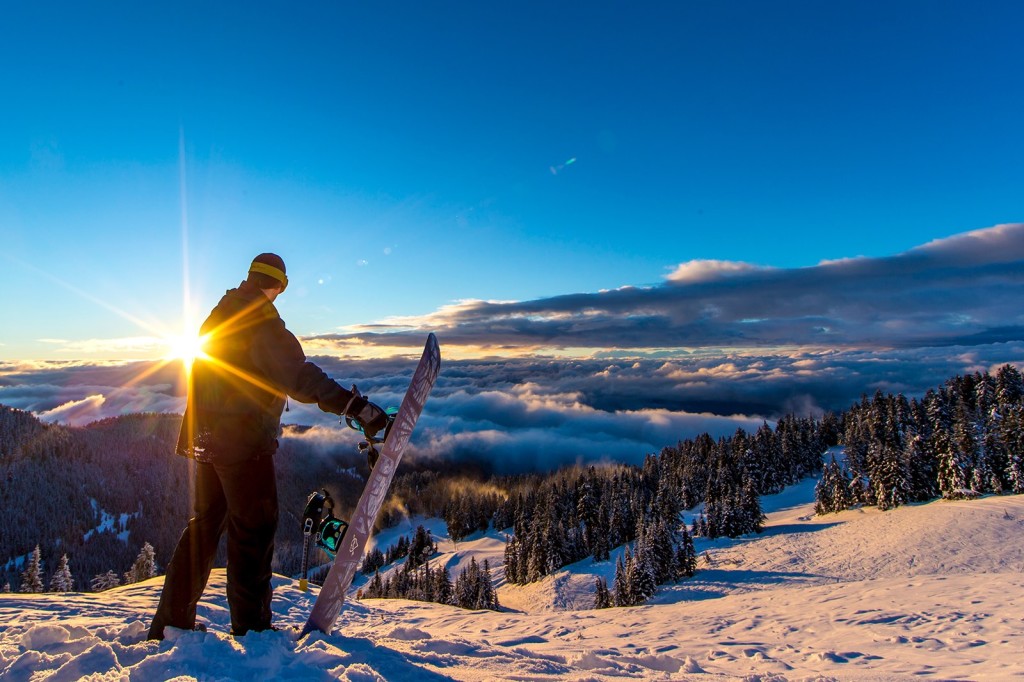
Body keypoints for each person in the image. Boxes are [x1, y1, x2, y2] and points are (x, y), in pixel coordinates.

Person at [148, 253, 386, 639]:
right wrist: (355, 407)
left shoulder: (222, 311)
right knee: (254, 530)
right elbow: (298, 375)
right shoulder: (261, 321)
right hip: (241, 443)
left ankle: (171, 623)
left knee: (205, 526)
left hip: (204, 437)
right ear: (277, 286)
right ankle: (253, 628)